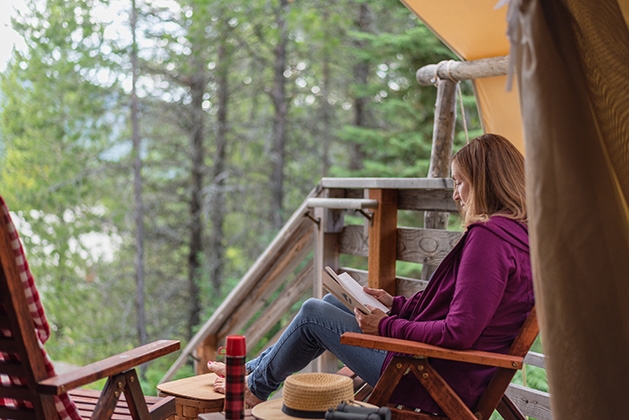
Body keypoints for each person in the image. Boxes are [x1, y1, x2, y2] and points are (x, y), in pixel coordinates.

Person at [208, 133, 535, 414]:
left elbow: (460, 331)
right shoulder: (520, 237)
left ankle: (253, 389)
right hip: (453, 371)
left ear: (485, 181)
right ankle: (252, 372)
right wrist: (394, 305)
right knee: (328, 303)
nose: (455, 193)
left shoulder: (489, 239)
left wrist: (386, 325)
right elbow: (462, 307)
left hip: (426, 378)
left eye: (460, 181)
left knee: (313, 314)